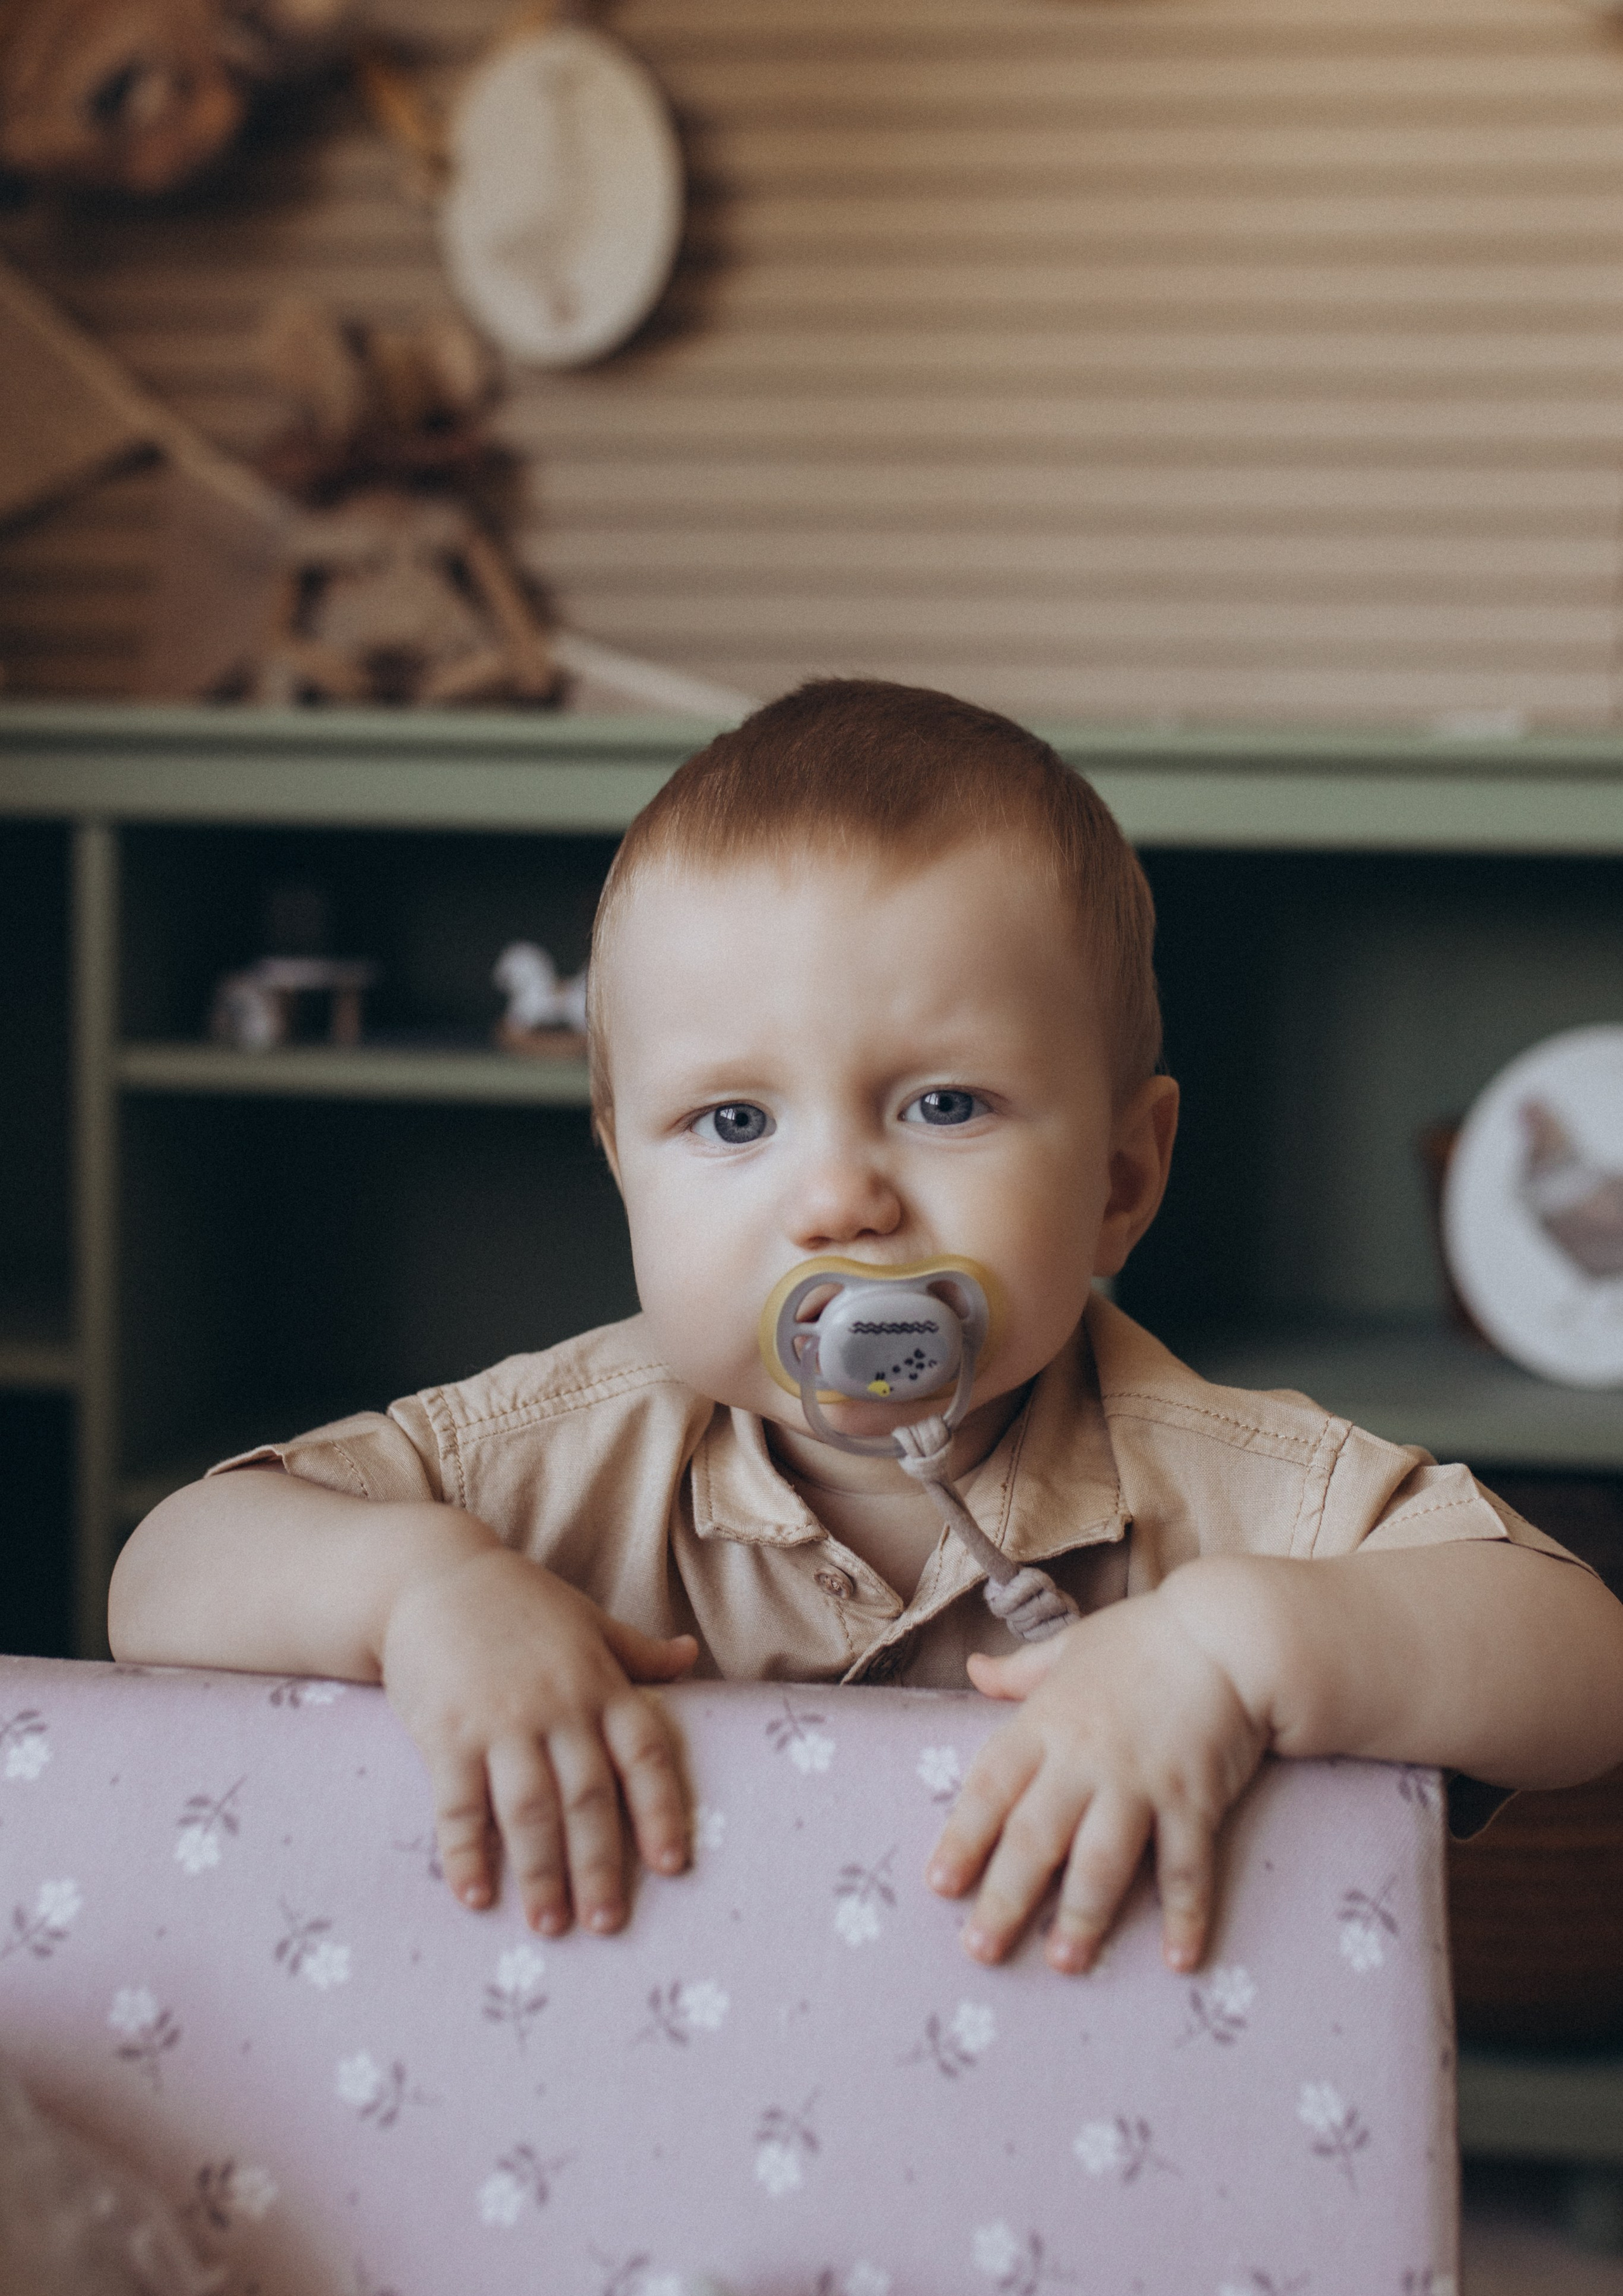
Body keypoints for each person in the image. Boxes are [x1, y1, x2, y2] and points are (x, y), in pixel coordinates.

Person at [110, 679, 1623, 1991]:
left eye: (942, 1103)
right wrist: (420, 1594)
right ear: (625, 1165)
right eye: (731, 1119)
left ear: (1119, 1179)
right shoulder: (534, 1466)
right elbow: (163, 1578)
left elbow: (1577, 1659)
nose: (837, 1195)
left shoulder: (1226, 1483)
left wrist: (1232, 1648)